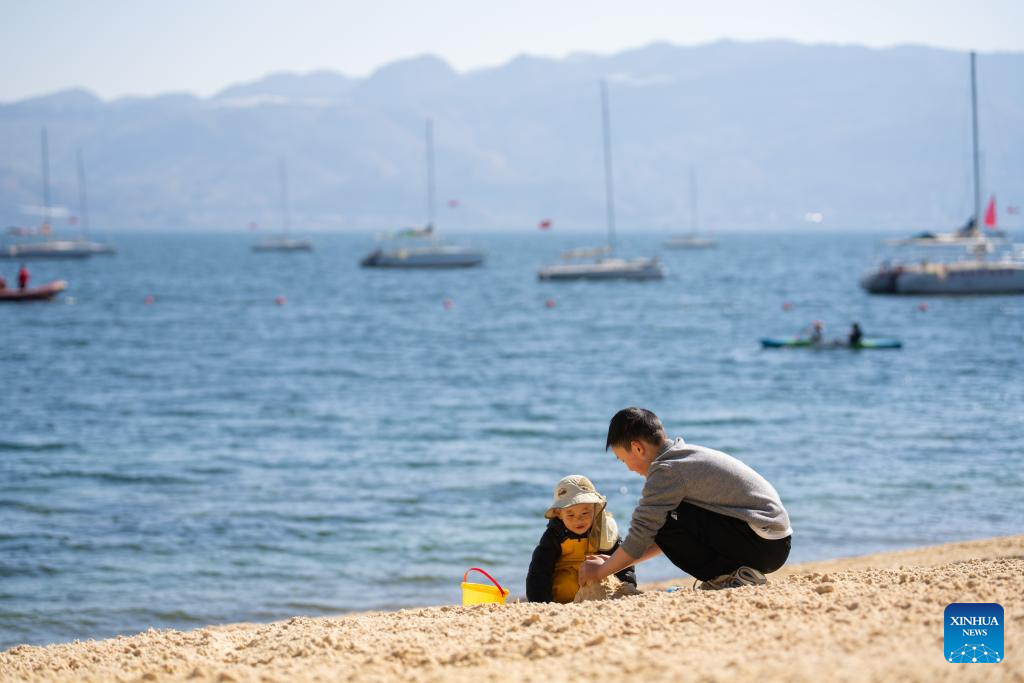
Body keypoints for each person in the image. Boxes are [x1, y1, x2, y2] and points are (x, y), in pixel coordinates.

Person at [579, 407, 792, 591]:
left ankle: (729, 577)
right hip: (771, 541)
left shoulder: (667, 470)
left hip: (762, 542)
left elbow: (644, 531)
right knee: (663, 519)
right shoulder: (680, 458)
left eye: (624, 460)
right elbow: (666, 537)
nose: (629, 468)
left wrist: (599, 572)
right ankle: (737, 575)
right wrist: (616, 563)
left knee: (659, 520)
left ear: (637, 448)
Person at [526, 474, 637, 602]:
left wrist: (627, 586)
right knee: (564, 582)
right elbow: (539, 570)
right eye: (570, 514)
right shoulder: (554, 535)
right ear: (559, 514)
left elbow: (622, 560)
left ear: (595, 508)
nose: (578, 519)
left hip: (596, 593)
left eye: (585, 513)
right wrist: (539, 601)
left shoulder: (603, 531)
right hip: (562, 595)